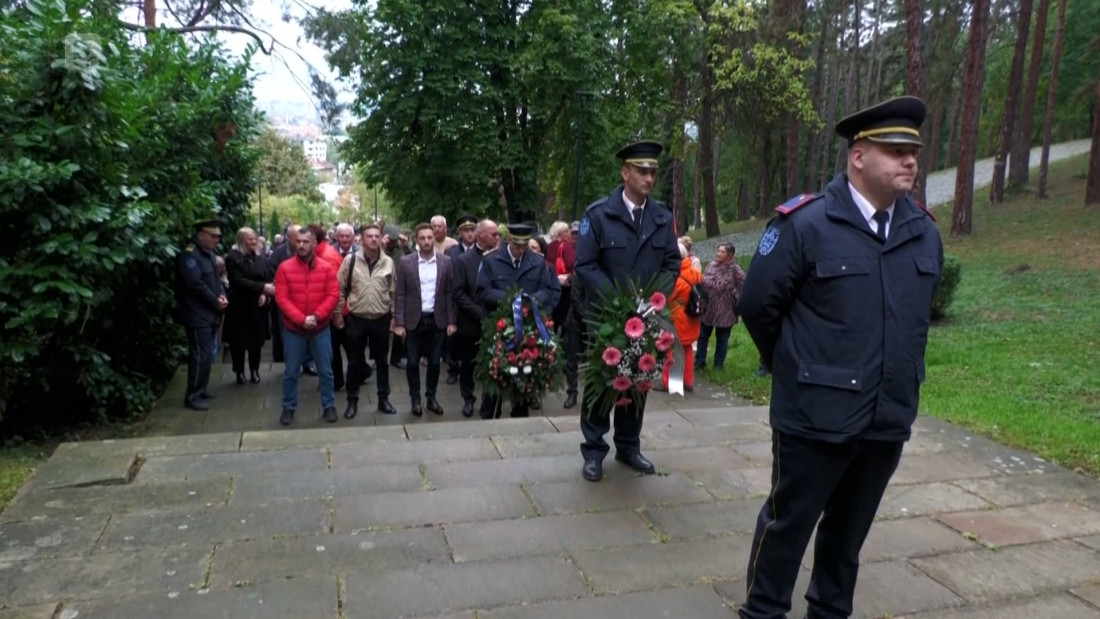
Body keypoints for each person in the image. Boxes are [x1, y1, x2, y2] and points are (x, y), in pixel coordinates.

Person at [735, 96, 943, 619]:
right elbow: (757, 306)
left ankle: (830, 611)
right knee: (788, 526)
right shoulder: (804, 224)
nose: (910, 162)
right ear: (858, 156)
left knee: (848, 537)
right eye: (896, 150)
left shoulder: (924, 231)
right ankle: (762, 612)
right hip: (814, 417)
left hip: (887, 417)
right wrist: (798, 367)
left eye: (913, 152)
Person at [574, 140, 681, 482]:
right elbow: (586, 265)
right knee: (602, 382)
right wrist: (618, 302)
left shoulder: (662, 217)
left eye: (653, 172)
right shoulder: (598, 215)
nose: (649, 178)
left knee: (638, 381)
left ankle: (628, 446)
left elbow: (671, 265)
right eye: (642, 171)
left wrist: (653, 300)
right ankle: (593, 450)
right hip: (607, 318)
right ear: (625, 173)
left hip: (647, 317)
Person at [476, 222, 561, 419]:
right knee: (495, 371)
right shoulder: (491, 260)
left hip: (528, 325)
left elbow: (547, 289)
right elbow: (482, 290)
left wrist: (530, 301)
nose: (521, 250)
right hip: (498, 326)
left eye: (525, 245)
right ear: (509, 240)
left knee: (524, 370)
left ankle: (520, 413)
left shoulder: (538, 262)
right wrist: (510, 299)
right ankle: (488, 415)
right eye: (517, 245)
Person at [275, 225, 340, 426]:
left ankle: (329, 406)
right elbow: (282, 298)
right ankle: (288, 407)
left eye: (305, 242)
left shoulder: (326, 268)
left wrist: (317, 316)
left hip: (320, 329)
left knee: (326, 370)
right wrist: (301, 319)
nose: (301, 245)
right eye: (298, 242)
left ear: (314, 243)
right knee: (291, 371)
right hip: (294, 329)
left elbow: (333, 295)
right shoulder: (285, 268)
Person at [394, 223, 457, 416]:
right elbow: (400, 293)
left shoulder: (446, 262)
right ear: (417, 240)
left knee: (435, 363)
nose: (427, 241)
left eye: (430, 237)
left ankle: (431, 397)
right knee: (412, 362)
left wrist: (452, 320)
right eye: (423, 238)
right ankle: (415, 399)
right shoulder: (406, 262)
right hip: (414, 319)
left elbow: (449, 292)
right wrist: (399, 322)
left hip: (437, 319)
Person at [336, 224, 397, 418]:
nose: (373, 239)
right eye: (369, 236)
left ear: (381, 238)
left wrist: (394, 317)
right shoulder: (350, 261)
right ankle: (352, 401)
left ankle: (383, 399)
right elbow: (339, 289)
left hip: (381, 318)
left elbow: (393, 292)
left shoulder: (388, 262)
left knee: (382, 362)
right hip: (357, 319)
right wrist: (337, 314)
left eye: (377, 236)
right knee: (354, 362)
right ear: (361, 239)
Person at [173, 220, 228, 411]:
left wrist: (221, 296)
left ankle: (201, 389)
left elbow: (215, 280)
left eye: (218, 237)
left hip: (209, 313)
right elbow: (195, 285)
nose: (216, 240)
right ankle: (193, 396)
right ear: (201, 235)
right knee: (200, 355)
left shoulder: (209, 255)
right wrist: (215, 301)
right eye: (213, 236)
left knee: (206, 355)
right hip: (196, 314)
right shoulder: (189, 256)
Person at [451, 219, 500, 417]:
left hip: (496, 321)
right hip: (470, 322)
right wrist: (478, 313)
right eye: (493, 234)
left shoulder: (500, 258)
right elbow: (458, 292)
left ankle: (490, 400)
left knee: (494, 362)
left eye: (498, 234)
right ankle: (468, 398)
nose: (498, 238)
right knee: (468, 362)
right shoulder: (464, 260)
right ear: (481, 236)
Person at [225, 227, 274, 385]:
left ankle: (255, 370)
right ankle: (239, 371)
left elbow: (267, 277)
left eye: (254, 238)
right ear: (241, 240)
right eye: (250, 239)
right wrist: (262, 288)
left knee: (256, 341)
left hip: (257, 306)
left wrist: (264, 293)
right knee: (238, 342)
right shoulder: (233, 258)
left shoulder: (259, 258)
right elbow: (237, 280)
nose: (253, 242)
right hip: (239, 306)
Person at [695, 243, 746, 371]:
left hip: (725, 310)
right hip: (709, 307)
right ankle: (700, 361)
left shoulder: (734, 269)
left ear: (730, 255)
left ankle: (718, 364)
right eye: (718, 251)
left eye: (722, 252)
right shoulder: (711, 265)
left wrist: (739, 301)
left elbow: (743, 285)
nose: (718, 254)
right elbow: (702, 280)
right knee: (702, 335)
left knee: (722, 338)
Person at [659, 242, 702, 392]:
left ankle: (667, 382)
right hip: (692, 318)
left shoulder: (677, 277)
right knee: (688, 350)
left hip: (677, 319)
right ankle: (688, 381)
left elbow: (667, 298)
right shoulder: (694, 272)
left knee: (670, 350)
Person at [444, 214, 478, 385]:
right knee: (453, 339)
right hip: (455, 301)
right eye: (466, 231)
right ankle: (452, 368)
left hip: (473, 300)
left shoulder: (483, 251)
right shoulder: (451, 253)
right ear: (460, 233)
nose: (470, 234)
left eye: (472, 230)